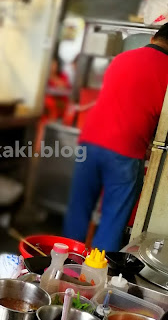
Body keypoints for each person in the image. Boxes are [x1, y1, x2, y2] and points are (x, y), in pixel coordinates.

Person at [63, 24, 168, 251]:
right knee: (113, 217)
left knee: (78, 209)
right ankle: (95, 276)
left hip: (90, 141)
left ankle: (64, 266)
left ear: (153, 37)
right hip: (126, 150)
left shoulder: (121, 58)